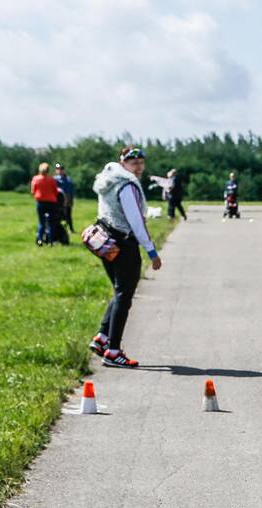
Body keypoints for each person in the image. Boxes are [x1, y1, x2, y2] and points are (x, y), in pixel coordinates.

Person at [88, 146, 163, 368]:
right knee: (124, 295)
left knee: (120, 291)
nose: (138, 166)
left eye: (141, 162)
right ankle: (113, 351)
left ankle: (102, 337)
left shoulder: (108, 180)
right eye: (133, 163)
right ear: (123, 164)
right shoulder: (127, 186)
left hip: (105, 240)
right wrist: (151, 251)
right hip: (123, 243)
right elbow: (136, 222)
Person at [30, 162, 60, 245]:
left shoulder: (35, 179)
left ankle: (40, 240)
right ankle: (50, 241)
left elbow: (33, 191)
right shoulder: (52, 179)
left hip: (40, 202)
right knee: (51, 223)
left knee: (41, 222)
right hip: (51, 203)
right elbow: (56, 192)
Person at [54, 163, 76, 232]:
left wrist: (71, 200)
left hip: (67, 199)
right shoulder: (54, 179)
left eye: (61, 169)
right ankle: (60, 229)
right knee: (59, 215)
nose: (60, 171)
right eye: (58, 169)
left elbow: (71, 190)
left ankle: (71, 228)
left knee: (68, 215)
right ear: (56, 171)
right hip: (58, 200)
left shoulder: (68, 179)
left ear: (64, 170)